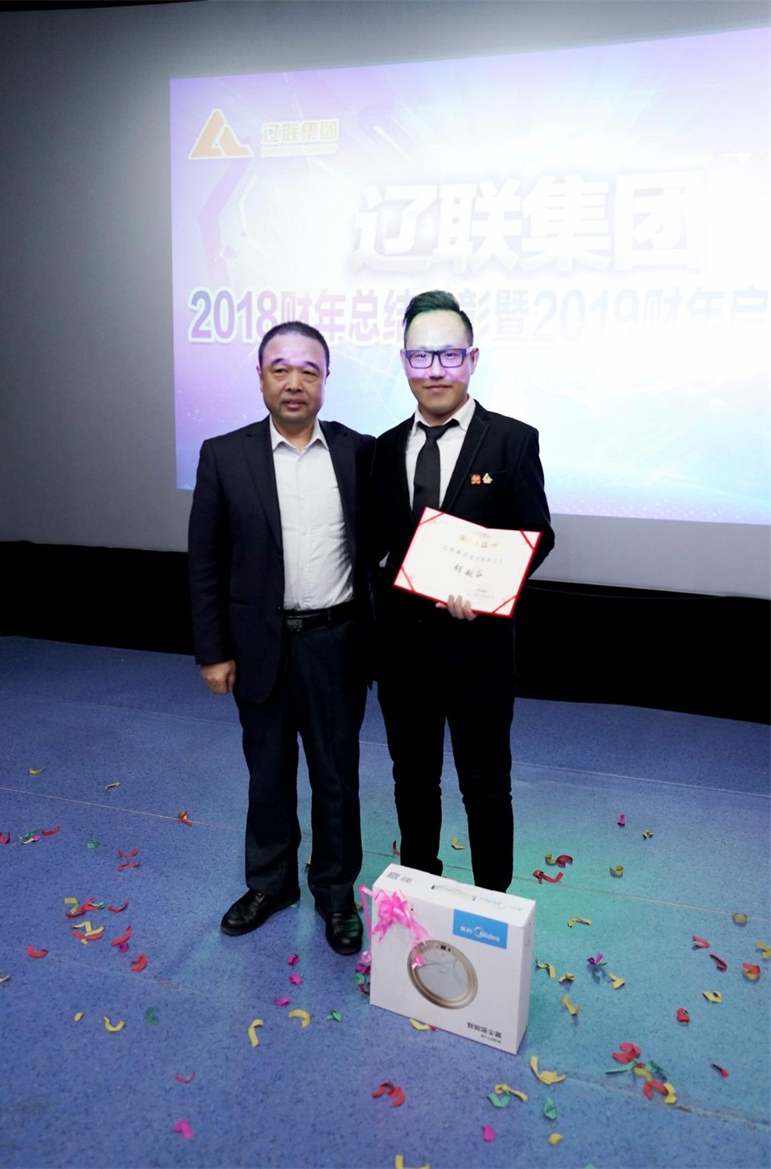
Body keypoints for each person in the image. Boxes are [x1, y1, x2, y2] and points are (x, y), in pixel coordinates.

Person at [188, 321, 373, 955]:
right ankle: (271, 884)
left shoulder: (358, 452)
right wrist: (213, 651)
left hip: (336, 643)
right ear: (261, 376)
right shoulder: (224, 454)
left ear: (326, 379)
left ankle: (335, 893)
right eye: (280, 369)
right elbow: (205, 562)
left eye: (308, 370)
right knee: (267, 773)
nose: (294, 382)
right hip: (259, 645)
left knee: (336, 776)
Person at [371, 290, 554, 892]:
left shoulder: (513, 441)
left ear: (472, 359)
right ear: (404, 362)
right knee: (412, 780)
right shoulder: (383, 448)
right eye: (420, 356)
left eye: (449, 355)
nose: (435, 370)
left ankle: (491, 906)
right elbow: (376, 542)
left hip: (480, 656)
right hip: (403, 656)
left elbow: (538, 534)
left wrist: (485, 586)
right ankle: (418, 894)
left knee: (485, 786)